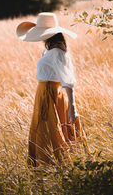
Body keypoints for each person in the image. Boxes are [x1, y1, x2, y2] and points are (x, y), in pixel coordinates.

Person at [16, 12, 86, 167]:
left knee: (50, 130)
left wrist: (72, 107)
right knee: (45, 129)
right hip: (44, 93)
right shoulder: (49, 50)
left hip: (51, 94)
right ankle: (48, 166)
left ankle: (52, 166)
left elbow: (67, 80)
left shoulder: (57, 52)